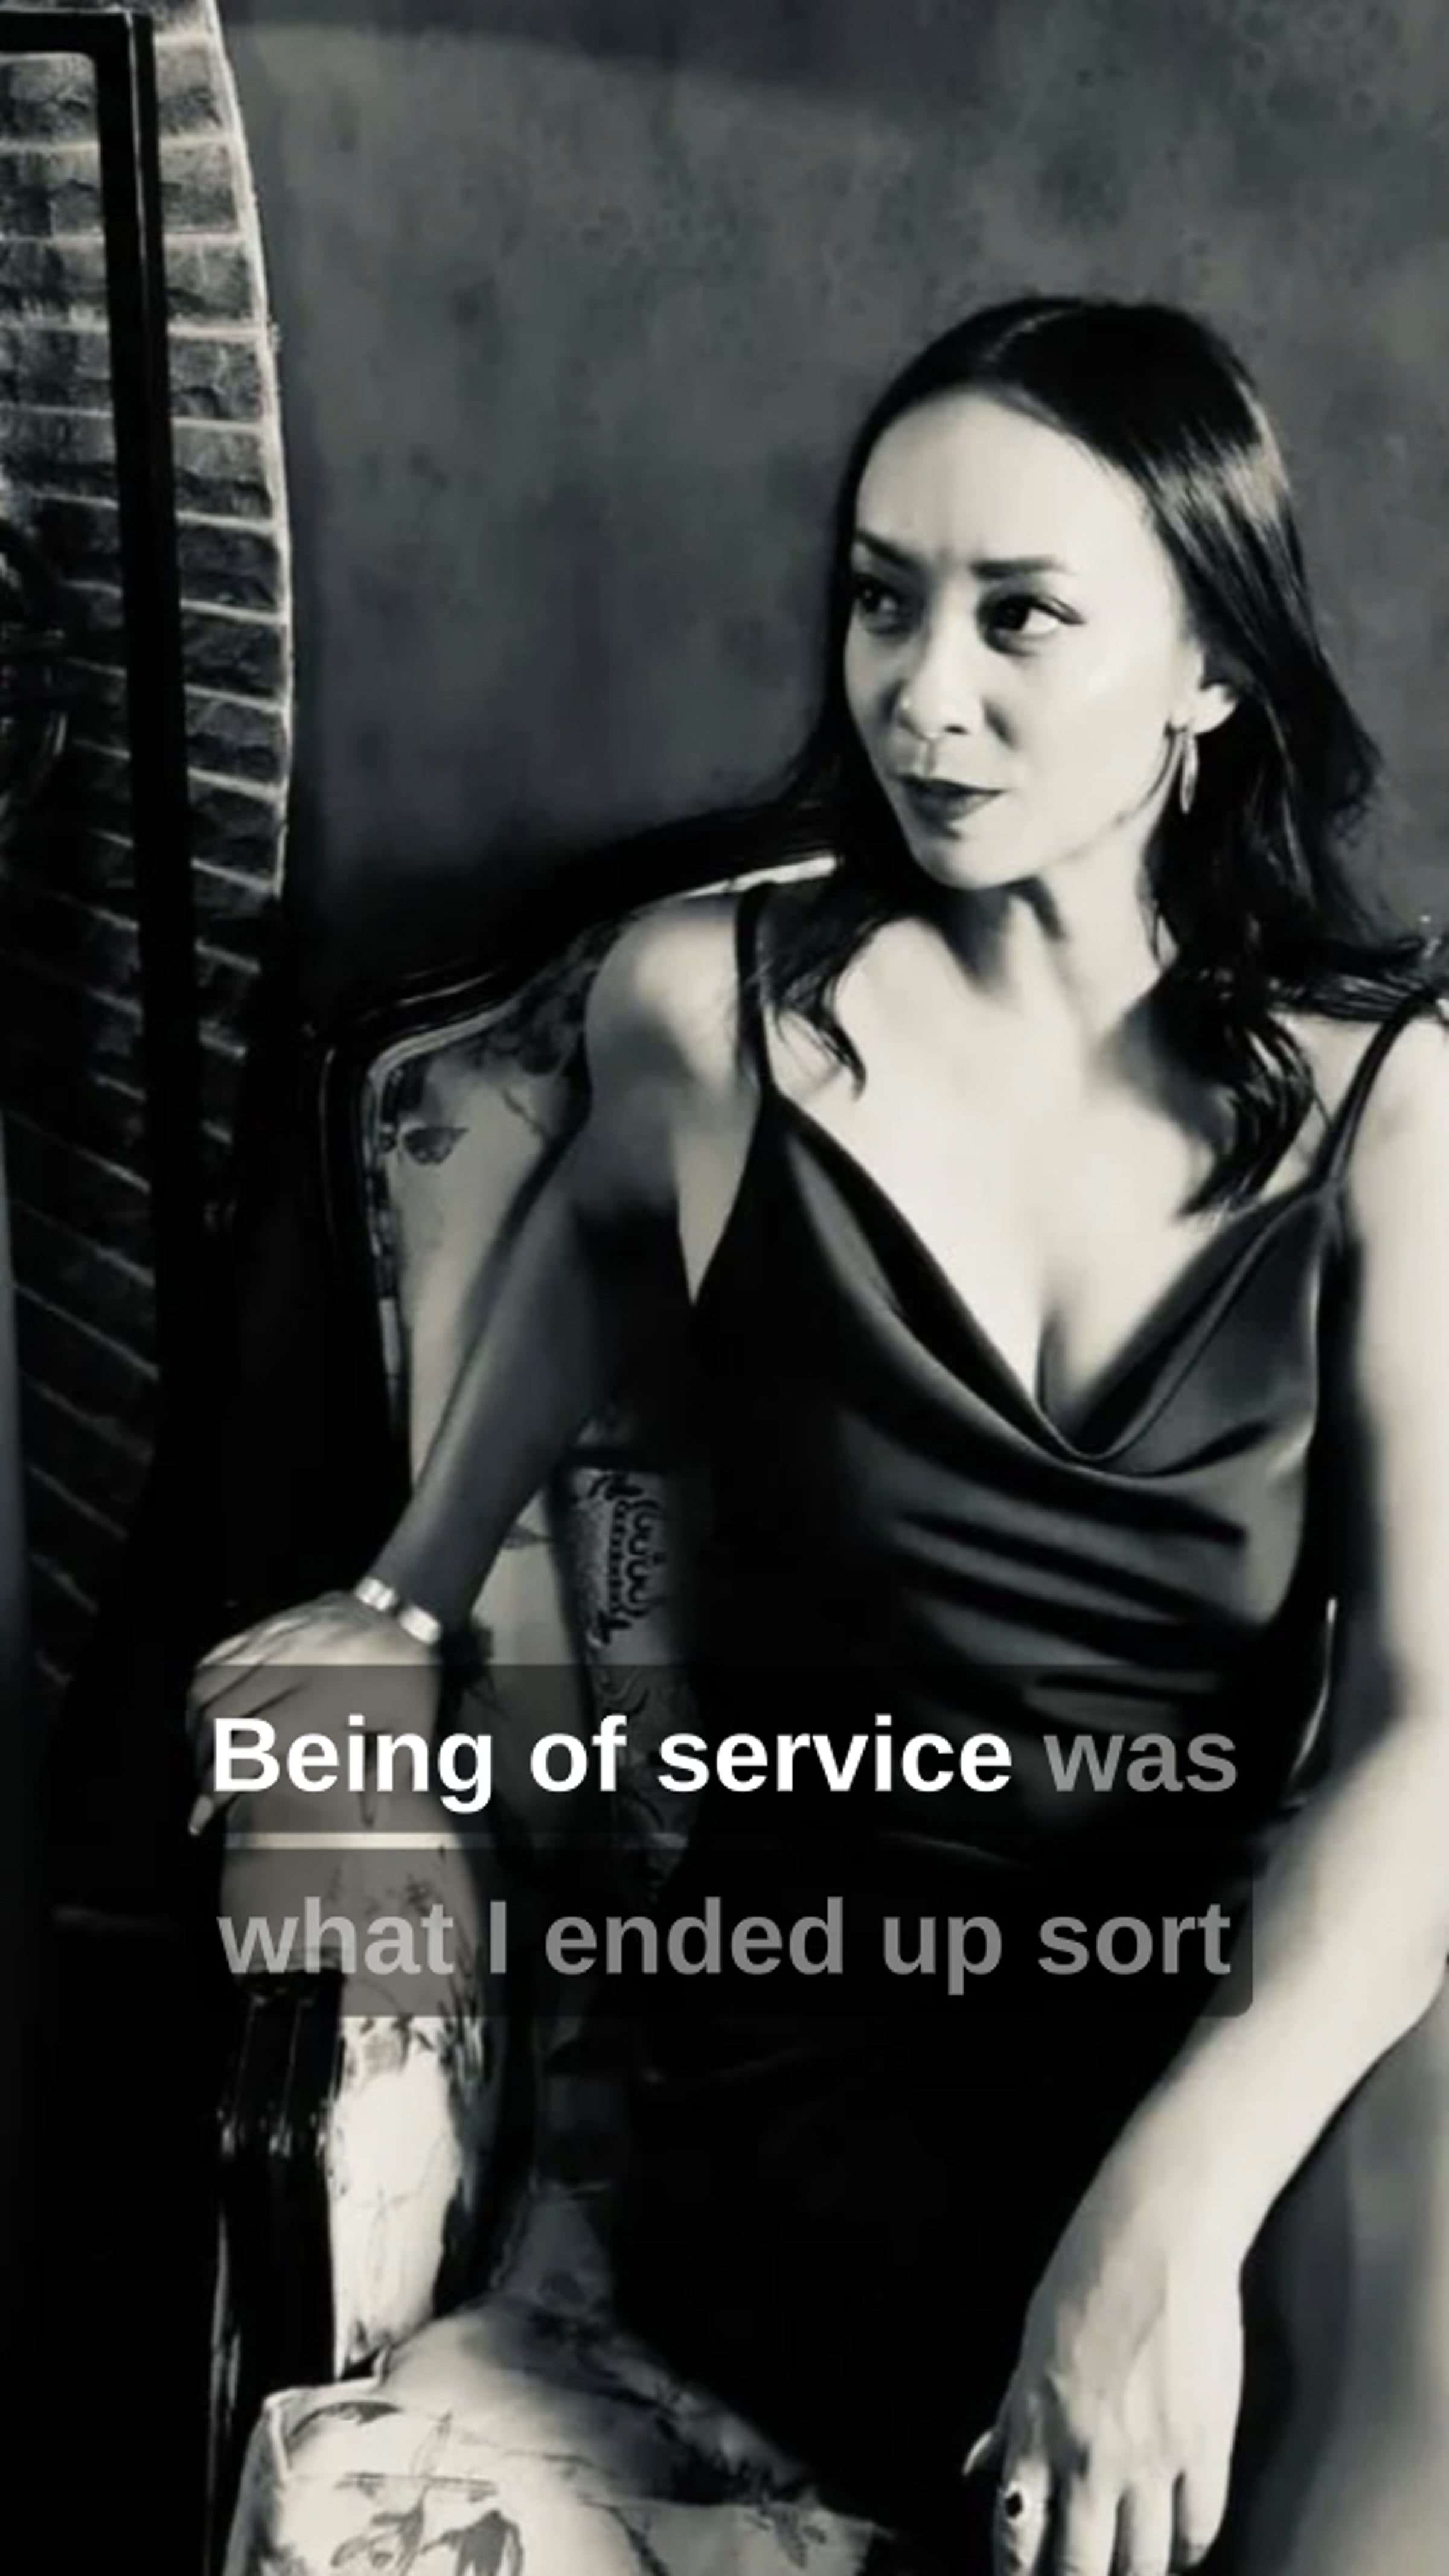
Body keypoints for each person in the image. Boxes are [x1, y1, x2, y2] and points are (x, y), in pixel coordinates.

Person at [191, 297, 1449, 2576]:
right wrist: (402, 1589)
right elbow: (590, 1244)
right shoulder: (717, 1014)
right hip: (836, 2047)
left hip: (1198, 2016)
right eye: (883, 599)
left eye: (1020, 616)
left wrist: (1171, 2199)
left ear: (1209, 669)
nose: (922, 694)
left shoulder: (1387, 1113)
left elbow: (1428, 1727)